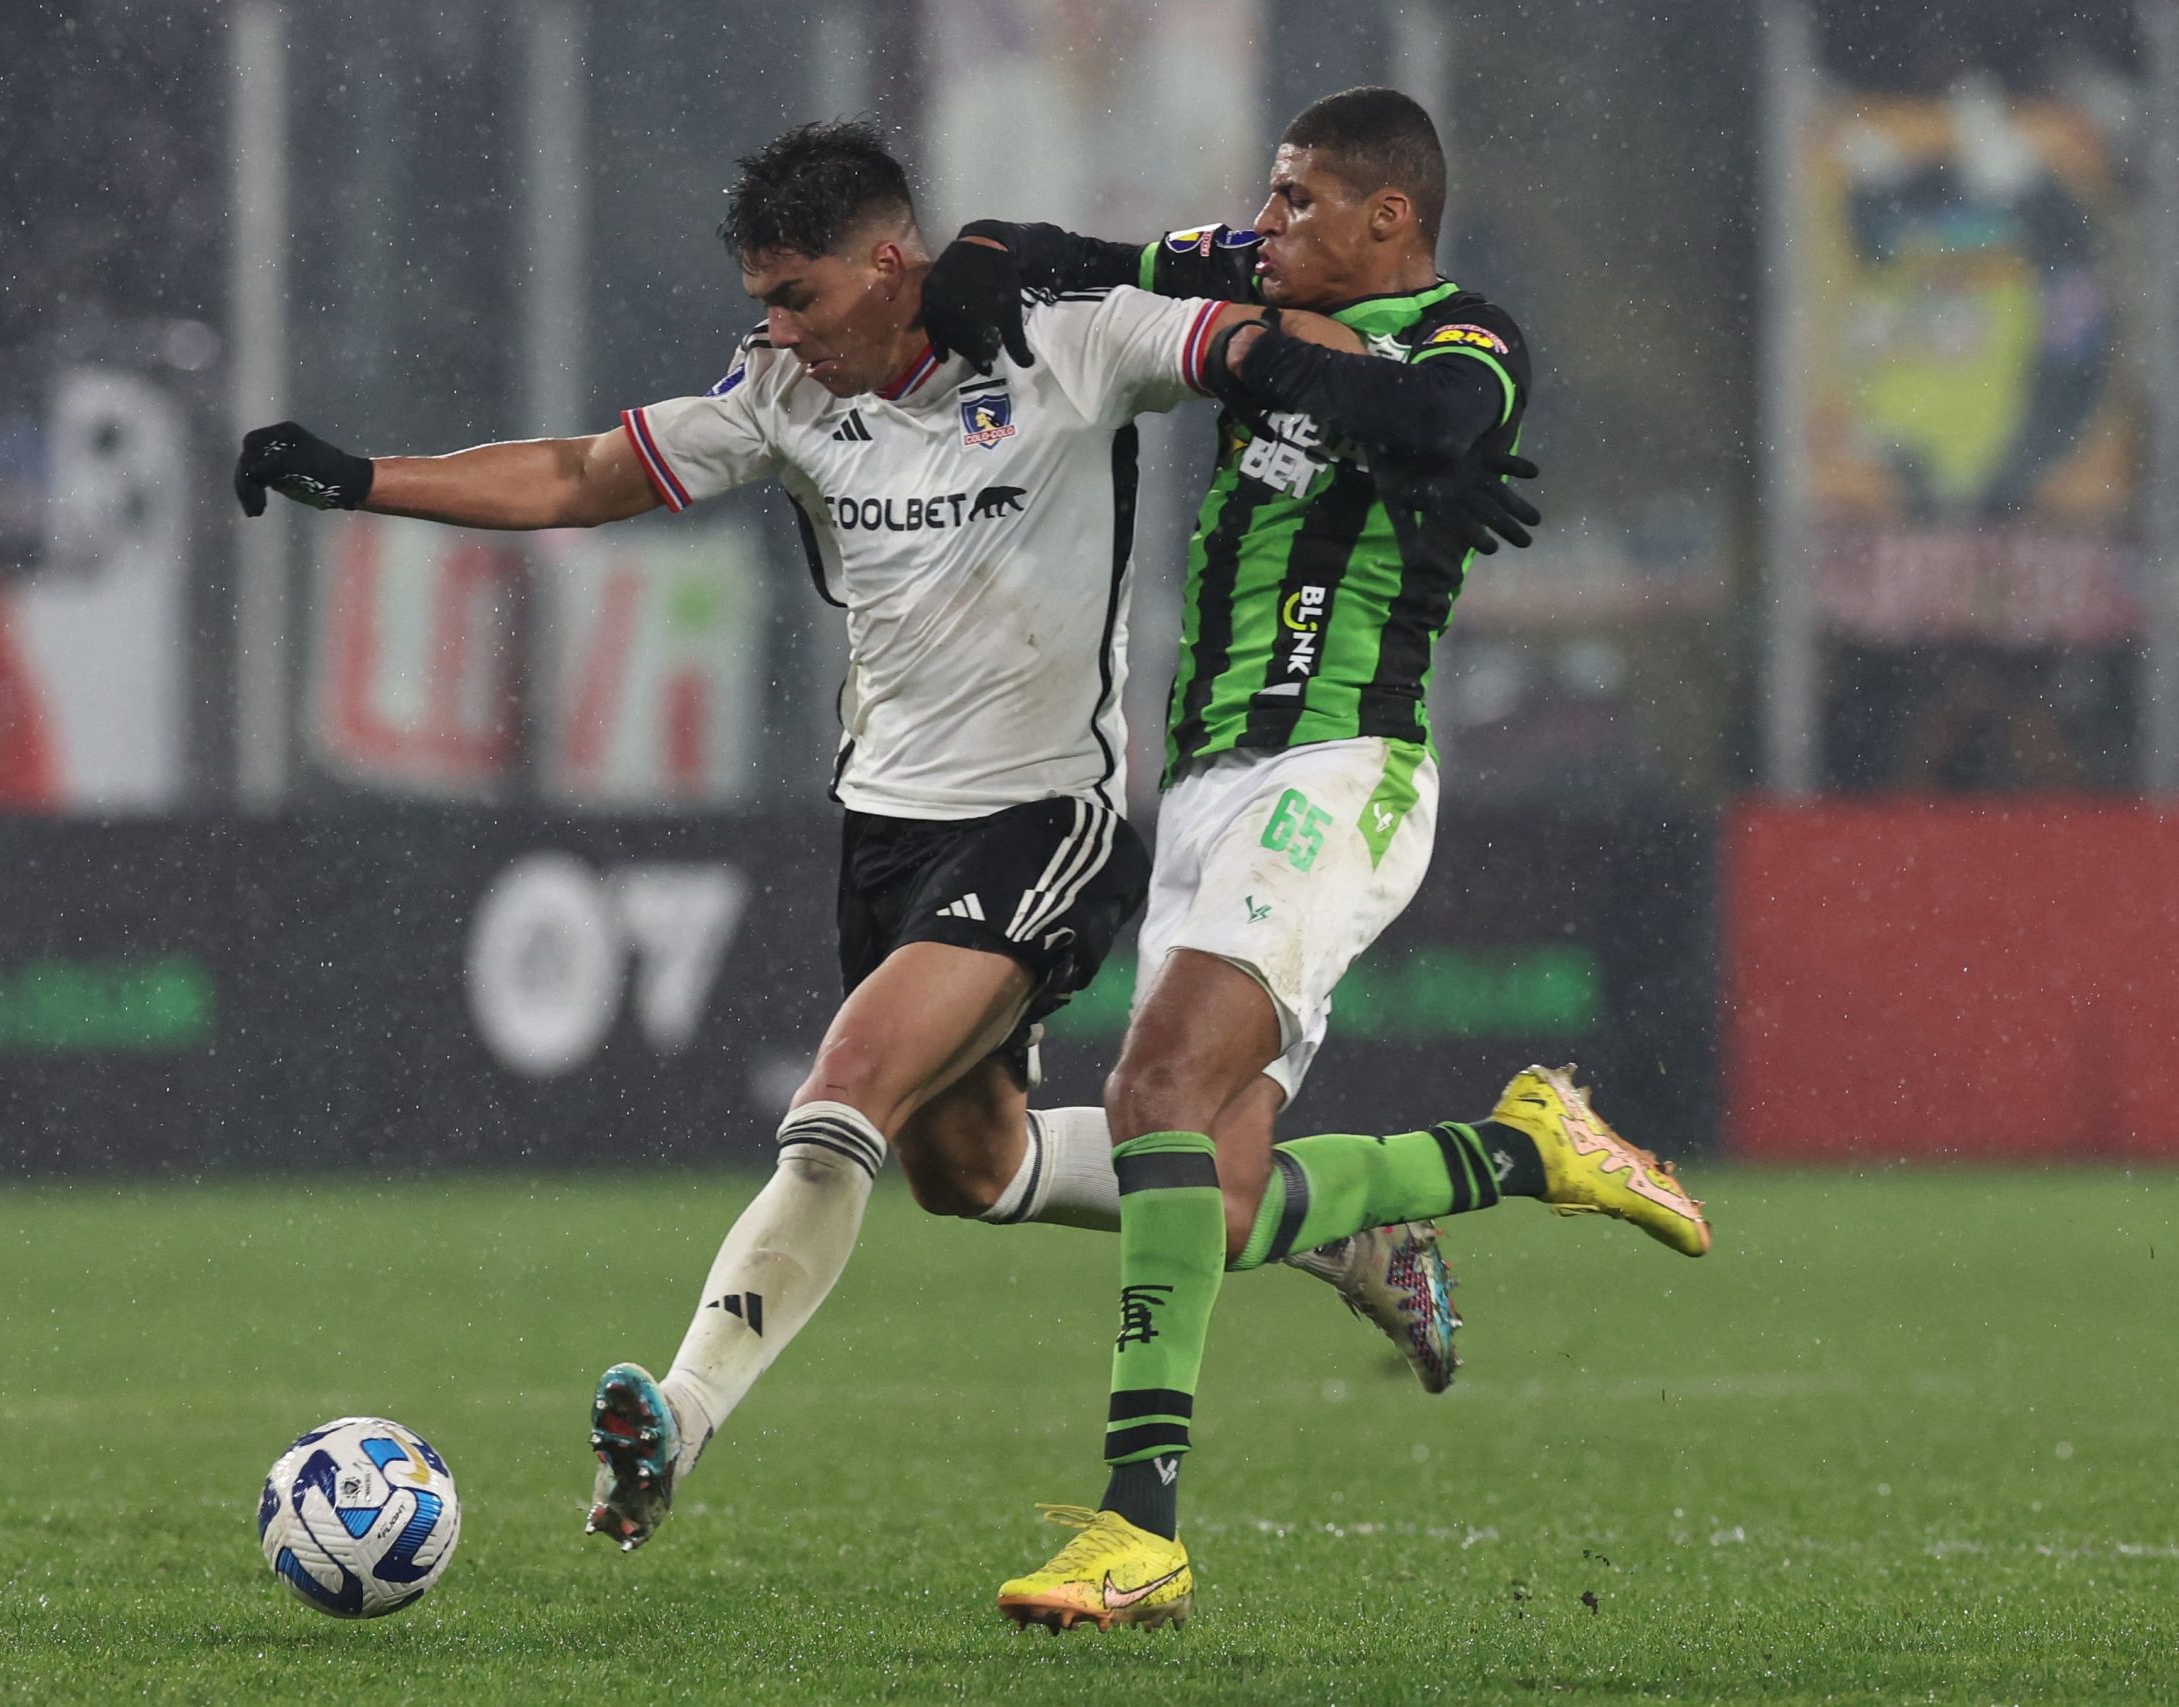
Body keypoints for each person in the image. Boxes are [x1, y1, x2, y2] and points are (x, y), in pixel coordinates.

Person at [235, 122, 1506, 1556]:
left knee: (843, 1092)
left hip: (1044, 822)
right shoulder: (782, 394)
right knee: (974, 1172)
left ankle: (678, 1418)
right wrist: (357, 479)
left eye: (803, 298)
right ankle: (1324, 1221)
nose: (777, 330)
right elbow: (580, 475)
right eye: (762, 301)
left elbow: (1254, 332)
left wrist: (1428, 425)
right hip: (886, 830)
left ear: (891, 265)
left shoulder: (1065, 349)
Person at [910, 87, 1713, 1630]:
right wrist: (1293, 354)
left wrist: (1373, 400)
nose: (1261, 227)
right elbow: (1015, 260)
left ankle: (1137, 1529)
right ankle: (1522, 1152)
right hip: (1208, 784)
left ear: (1385, 218)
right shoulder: (1259, 284)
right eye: (1265, 206)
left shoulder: (1469, 330)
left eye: (1293, 204)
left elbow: (1449, 417)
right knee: (1203, 1201)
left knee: (1147, 1091)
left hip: (1339, 770)